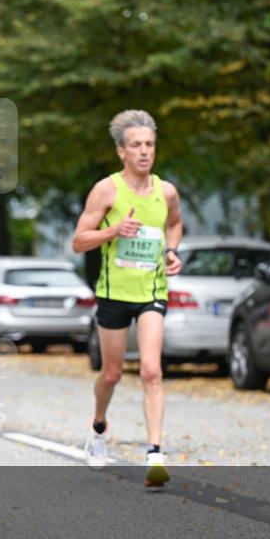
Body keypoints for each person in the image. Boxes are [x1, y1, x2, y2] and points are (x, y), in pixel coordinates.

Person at [70, 109, 183, 487]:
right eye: (136, 145)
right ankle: (99, 426)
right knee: (112, 373)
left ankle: (154, 453)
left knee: (151, 369)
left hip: (151, 291)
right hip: (113, 293)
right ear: (121, 151)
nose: (144, 152)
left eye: (149, 144)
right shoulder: (107, 190)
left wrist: (171, 251)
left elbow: (175, 223)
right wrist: (114, 230)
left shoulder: (165, 191)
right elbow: (78, 240)